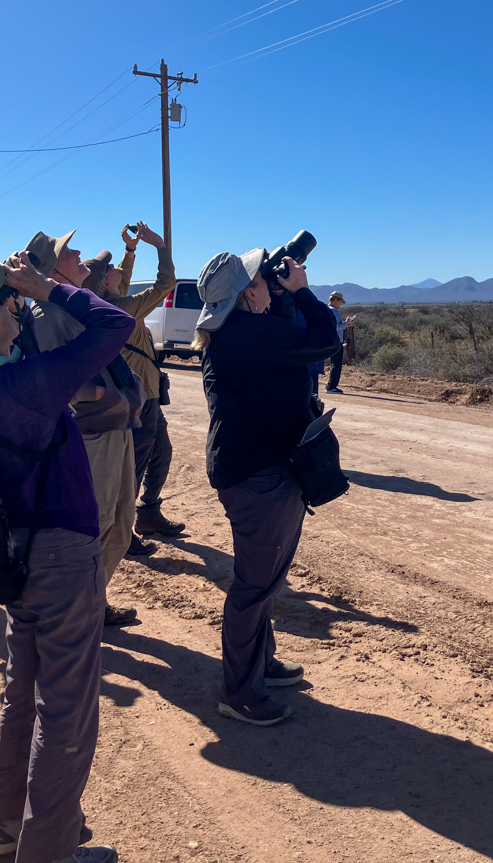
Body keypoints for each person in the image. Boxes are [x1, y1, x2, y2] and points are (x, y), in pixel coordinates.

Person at [0, 254, 131, 863]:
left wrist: (23, 301)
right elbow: (113, 327)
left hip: (19, 558)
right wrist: (52, 288)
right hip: (62, 556)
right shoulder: (25, 386)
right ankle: (49, 853)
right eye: (0, 302)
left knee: (23, 698)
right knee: (66, 714)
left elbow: (11, 340)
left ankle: (8, 831)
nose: (12, 303)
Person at [192, 249, 340, 726]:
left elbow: (289, 343)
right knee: (254, 586)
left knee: (266, 577)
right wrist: (301, 291)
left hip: (259, 469)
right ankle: (240, 693)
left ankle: (262, 665)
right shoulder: (245, 335)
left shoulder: (236, 330)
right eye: (261, 278)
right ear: (246, 292)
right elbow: (323, 340)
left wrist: (280, 296)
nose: (270, 283)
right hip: (258, 476)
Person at [26, 230, 144, 627]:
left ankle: (92, 600)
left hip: (118, 425)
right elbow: (52, 373)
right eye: (68, 251)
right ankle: (76, 611)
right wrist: (94, 394)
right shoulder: (47, 313)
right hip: (93, 432)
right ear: (52, 269)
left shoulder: (72, 303)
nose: (78, 253)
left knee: (123, 524)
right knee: (98, 524)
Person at [108, 220, 183, 541]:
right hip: (140, 398)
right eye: (110, 269)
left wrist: (130, 249)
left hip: (147, 393)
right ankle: (121, 532)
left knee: (161, 452)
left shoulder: (111, 299)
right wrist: (161, 248)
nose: (117, 269)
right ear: (104, 283)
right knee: (136, 463)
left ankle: (148, 513)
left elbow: (120, 280)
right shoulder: (122, 307)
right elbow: (166, 283)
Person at [324, 291, 356, 394]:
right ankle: (331, 386)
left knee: (334, 363)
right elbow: (337, 326)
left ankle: (330, 385)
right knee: (336, 364)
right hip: (337, 341)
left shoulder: (326, 309)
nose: (340, 304)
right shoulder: (334, 311)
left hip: (330, 340)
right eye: (340, 302)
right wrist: (347, 323)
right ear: (336, 300)